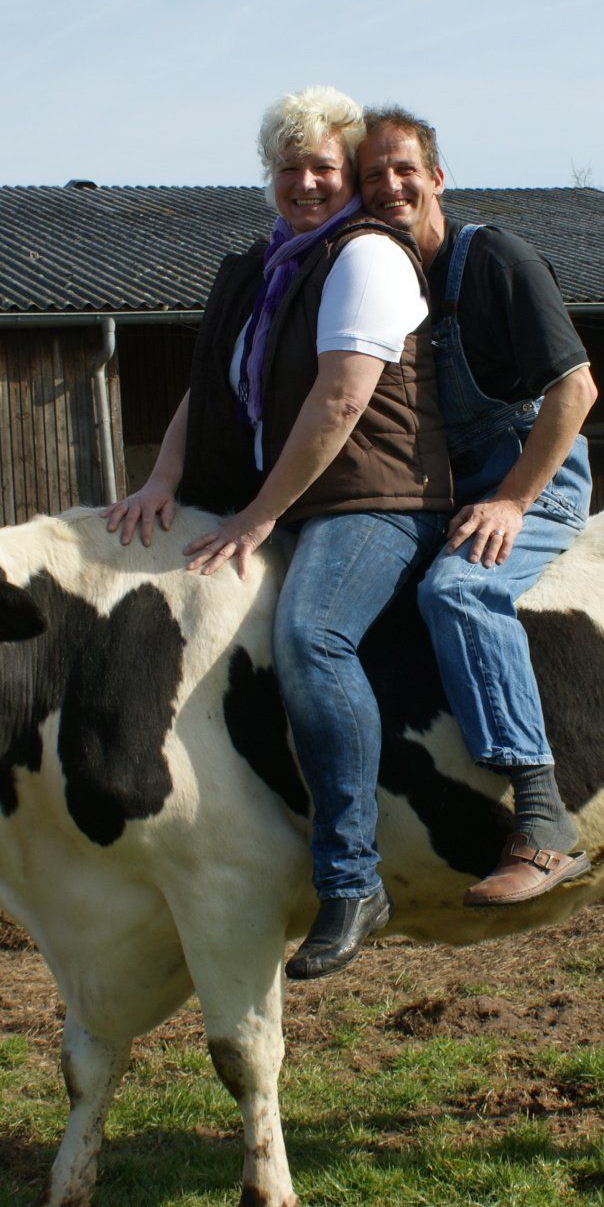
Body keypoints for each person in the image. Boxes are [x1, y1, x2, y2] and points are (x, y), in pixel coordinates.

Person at [102, 86, 452, 980]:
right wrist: (163, 479)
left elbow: (340, 399)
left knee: (311, 635)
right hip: (298, 500)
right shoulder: (271, 267)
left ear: (348, 176)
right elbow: (214, 392)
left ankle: (351, 878)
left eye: (323, 167)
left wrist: (257, 517)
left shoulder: (363, 257)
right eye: (288, 167)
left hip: (378, 500)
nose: (304, 182)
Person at [358, 106, 600, 908]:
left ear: (435, 177)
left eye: (404, 169)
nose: (389, 185)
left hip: (532, 474)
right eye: (372, 177)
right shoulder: (383, 284)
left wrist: (513, 501)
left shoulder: (492, 257)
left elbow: (576, 391)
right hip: (447, 488)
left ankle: (543, 819)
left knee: (457, 592)